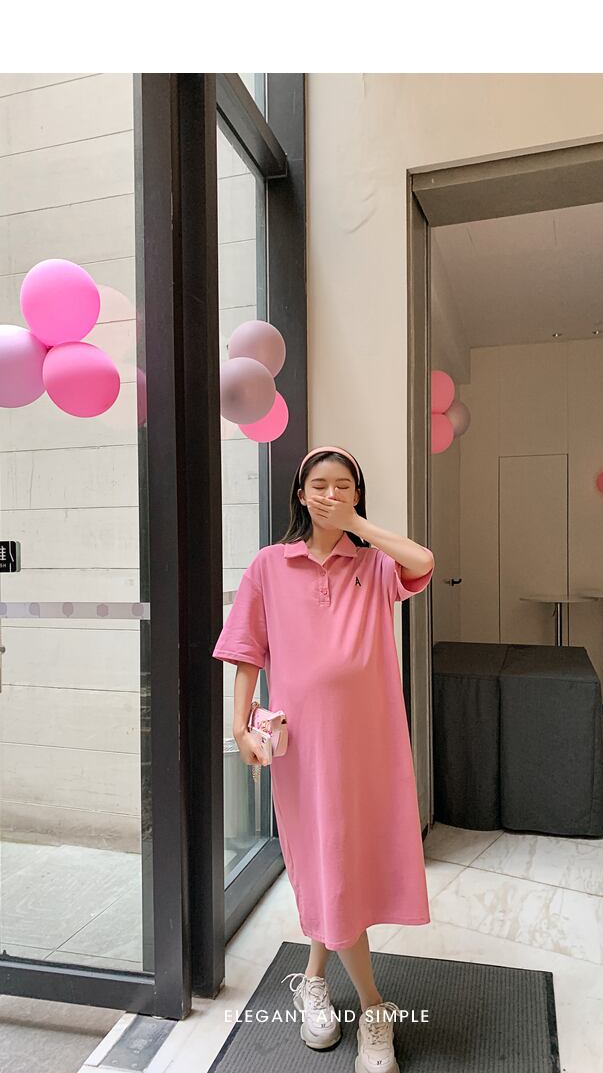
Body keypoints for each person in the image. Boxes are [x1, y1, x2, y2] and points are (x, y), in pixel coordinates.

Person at [211, 444, 435, 1073]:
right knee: (327, 863)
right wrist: (238, 728)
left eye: (343, 486)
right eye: (319, 486)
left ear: (357, 495)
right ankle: (373, 1006)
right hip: (304, 747)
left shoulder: (376, 566)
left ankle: (313, 979)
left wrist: (356, 526)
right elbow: (247, 652)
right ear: (300, 495)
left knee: (344, 865)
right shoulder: (269, 565)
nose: (330, 494)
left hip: (369, 745)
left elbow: (423, 561)